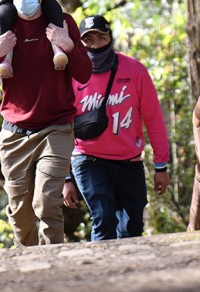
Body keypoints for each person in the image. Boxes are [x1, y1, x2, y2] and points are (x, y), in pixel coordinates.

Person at [0, 0, 92, 247]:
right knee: (20, 213)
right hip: (15, 133)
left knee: (47, 203)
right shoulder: (0, 29)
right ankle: (26, 268)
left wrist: (69, 46)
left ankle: (54, 266)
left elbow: (85, 74)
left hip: (56, 128)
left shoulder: (62, 23)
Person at [62, 15, 170, 241]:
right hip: (88, 158)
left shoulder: (135, 70)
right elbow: (61, 128)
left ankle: (132, 273)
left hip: (129, 160)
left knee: (132, 226)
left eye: (101, 38)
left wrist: (161, 166)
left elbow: (154, 119)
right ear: (79, 43)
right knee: (103, 217)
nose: (95, 45)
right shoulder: (69, 75)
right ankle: (102, 273)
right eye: (88, 40)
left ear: (110, 38)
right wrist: (66, 179)